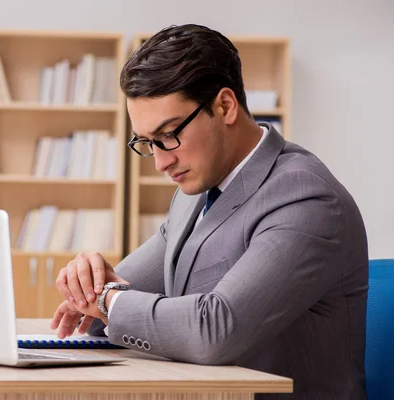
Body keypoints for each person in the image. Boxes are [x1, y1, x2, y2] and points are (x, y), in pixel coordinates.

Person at [50, 24, 368, 399]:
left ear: (225, 106)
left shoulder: (306, 198)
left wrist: (108, 300)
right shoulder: (193, 193)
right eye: (149, 143)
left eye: (169, 135)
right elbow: (115, 304)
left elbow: (215, 330)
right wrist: (90, 284)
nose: (161, 162)